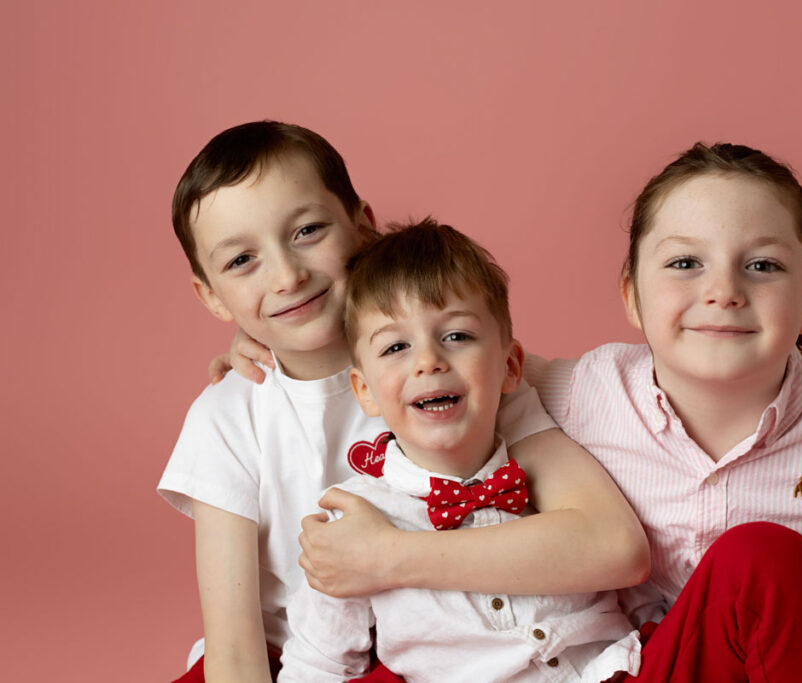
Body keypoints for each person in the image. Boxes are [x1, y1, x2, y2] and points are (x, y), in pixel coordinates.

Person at [217, 141, 802, 682]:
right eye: (684, 263)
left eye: (763, 265)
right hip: (704, 652)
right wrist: (271, 356)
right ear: (631, 298)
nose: (722, 291)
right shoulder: (577, 393)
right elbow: (430, 357)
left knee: (761, 552)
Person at [158, 121, 650, 682]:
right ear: (211, 296)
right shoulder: (228, 417)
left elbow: (611, 544)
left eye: (308, 230)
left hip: (444, 646)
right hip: (297, 659)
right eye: (241, 261)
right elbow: (235, 652)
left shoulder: (455, 371)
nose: (288, 276)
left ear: (362, 226)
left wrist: (383, 557)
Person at [279, 218, 802, 682]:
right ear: (363, 390)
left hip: (617, 674)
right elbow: (317, 664)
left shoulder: (558, 459)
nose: (429, 361)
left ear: (510, 368)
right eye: (396, 347)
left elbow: (637, 592)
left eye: (458, 336)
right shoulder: (353, 522)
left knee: (763, 552)